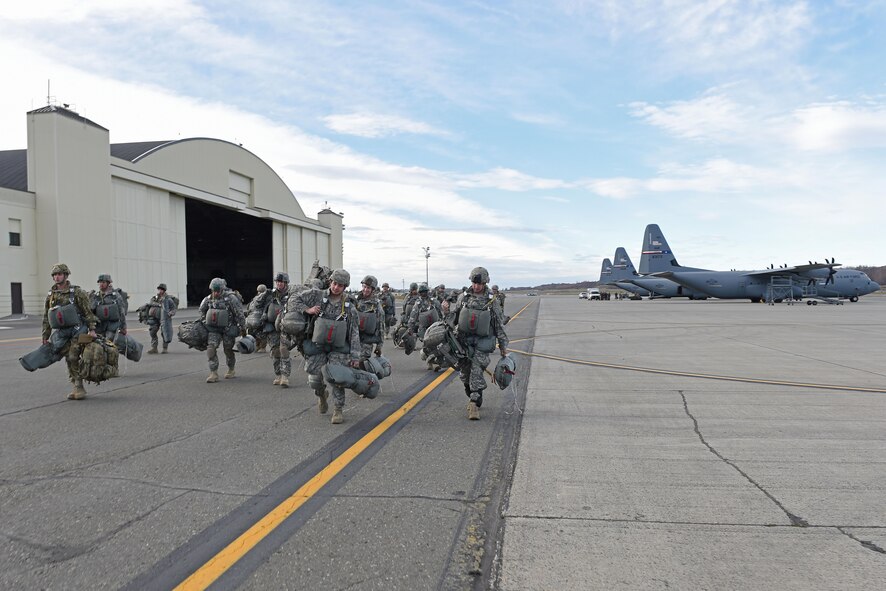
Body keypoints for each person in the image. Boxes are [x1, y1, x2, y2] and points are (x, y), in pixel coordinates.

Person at [290, 268, 361, 424]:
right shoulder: (317, 295)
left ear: (345, 287)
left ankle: (338, 409)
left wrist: (355, 356)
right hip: (318, 344)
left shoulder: (349, 307)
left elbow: (354, 331)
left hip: (338, 348)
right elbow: (294, 299)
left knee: (337, 379)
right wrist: (307, 310)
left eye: (340, 285)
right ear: (330, 282)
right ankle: (322, 395)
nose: (336, 287)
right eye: (335, 283)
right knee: (314, 378)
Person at [442, 267, 509, 420]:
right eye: (474, 283)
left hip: (483, 342)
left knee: (477, 371)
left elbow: (499, 324)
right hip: (464, 342)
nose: (476, 286)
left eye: (479, 283)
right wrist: (445, 311)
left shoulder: (492, 301)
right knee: (465, 375)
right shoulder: (463, 298)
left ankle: (474, 403)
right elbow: (455, 317)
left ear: (485, 282)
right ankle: (474, 396)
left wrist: (503, 346)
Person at [42, 263, 97, 400]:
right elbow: (46, 316)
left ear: (66, 275)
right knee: (68, 358)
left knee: (73, 356)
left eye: (59, 274)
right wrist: (45, 335)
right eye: (54, 275)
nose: (56, 277)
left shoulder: (76, 292)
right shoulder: (51, 295)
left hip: (79, 330)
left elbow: (87, 311)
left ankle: (79, 387)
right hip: (63, 332)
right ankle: (77, 385)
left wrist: (92, 329)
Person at [199, 277, 246, 383]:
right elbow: (201, 310)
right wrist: (205, 321)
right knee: (211, 349)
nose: (215, 293)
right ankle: (213, 373)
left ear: (222, 289)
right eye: (213, 290)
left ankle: (231, 369)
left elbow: (239, 314)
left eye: (217, 291)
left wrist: (243, 328)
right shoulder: (208, 299)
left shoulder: (231, 299)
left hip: (228, 329)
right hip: (214, 329)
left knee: (228, 350)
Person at [260, 273, 292, 387]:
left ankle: (285, 376)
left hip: (285, 327)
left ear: (286, 283)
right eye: (277, 281)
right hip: (272, 327)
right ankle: (278, 374)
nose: (279, 284)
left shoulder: (291, 295)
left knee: (284, 350)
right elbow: (258, 304)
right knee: (275, 351)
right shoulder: (269, 294)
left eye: (281, 282)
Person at [407, 282, 443, 371]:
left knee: (436, 345)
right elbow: (413, 317)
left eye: (425, 291)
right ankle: (430, 362)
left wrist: (443, 323)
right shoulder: (418, 304)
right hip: (423, 329)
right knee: (427, 346)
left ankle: (435, 361)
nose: (423, 293)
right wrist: (410, 329)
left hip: (434, 327)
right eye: (421, 292)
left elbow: (439, 312)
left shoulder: (434, 301)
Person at [355, 275, 385, 364]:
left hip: (366, 342)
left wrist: (379, 346)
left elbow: (381, 327)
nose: (365, 289)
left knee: (361, 364)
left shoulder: (376, 306)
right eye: (364, 287)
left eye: (368, 288)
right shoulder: (356, 301)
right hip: (353, 339)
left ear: (373, 290)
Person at [90, 274, 128, 341]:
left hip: (112, 325)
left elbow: (122, 312)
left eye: (103, 282)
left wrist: (123, 327)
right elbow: (91, 312)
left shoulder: (115, 296)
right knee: (98, 344)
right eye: (100, 282)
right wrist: (91, 328)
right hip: (100, 326)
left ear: (108, 283)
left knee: (108, 343)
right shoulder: (96, 296)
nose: (101, 284)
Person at [142, 283, 177, 354]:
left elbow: (173, 308)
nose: (160, 291)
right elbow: (151, 303)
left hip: (164, 318)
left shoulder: (168, 299)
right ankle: (154, 348)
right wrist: (159, 304)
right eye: (159, 289)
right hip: (154, 318)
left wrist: (171, 313)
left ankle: (165, 348)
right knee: (152, 332)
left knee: (164, 332)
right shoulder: (155, 297)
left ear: (164, 290)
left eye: (161, 289)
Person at [247, 284, 269, 352]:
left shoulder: (255, 299)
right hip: (257, 318)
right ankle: (260, 346)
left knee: (258, 332)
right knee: (259, 332)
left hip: (255, 318)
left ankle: (260, 346)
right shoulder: (262, 298)